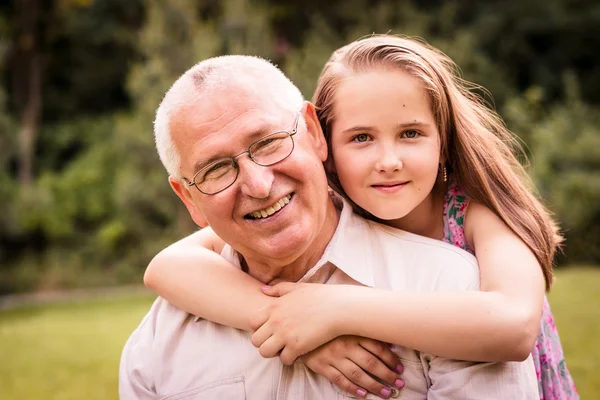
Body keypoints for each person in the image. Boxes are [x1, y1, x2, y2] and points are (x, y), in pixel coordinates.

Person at [142, 35, 578, 399]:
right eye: (362, 138)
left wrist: (337, 309)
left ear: (443, 138)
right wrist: (293, 328)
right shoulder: (301, 202)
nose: (387, 161)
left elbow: (514, 327)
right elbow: (167, 267)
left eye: (410, 133)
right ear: (325, 141)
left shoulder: (475, 214)